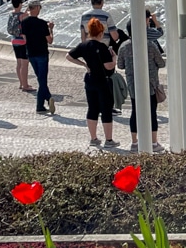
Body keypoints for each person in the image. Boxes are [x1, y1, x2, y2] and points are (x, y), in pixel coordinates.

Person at [67, 18, 119, 148]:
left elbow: (68, 56)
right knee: (106, 109)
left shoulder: (83, 45)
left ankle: (94, 138)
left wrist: (84, 64)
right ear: (101, 33)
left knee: (92, 108)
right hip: (102, 80)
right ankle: (109, 140)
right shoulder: (102, 47)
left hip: (90, 79)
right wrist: (114, 58)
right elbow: (108, 66)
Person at [117, 19, 166, 153]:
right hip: (150, 84)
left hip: (133, 85)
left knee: (135, 112)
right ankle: (153, 142)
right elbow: (161, 63)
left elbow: (120, 65)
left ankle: (134, 142)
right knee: (152, 112)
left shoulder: (124, 46)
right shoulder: (150, 45)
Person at [20, 0, 56, 114]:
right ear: (35, 8)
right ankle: (41, 104)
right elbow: (50, 41)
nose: (40, 9)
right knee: (42, 80)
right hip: (42, 53)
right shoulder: (42, 24)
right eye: (39, 7)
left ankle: (45, 100)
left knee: (40, 79)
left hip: (31, 54)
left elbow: (24, 39)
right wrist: (51, 29)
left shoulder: (24, 22)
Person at [6, 0, 34, 91]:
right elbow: (28, 17)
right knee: (25, 63)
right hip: (23, 41)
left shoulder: (11, 14)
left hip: (14, 40)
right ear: (20, 4)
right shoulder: (23, 15)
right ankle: (25, 86)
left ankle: (21, 83)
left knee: (19, 63)